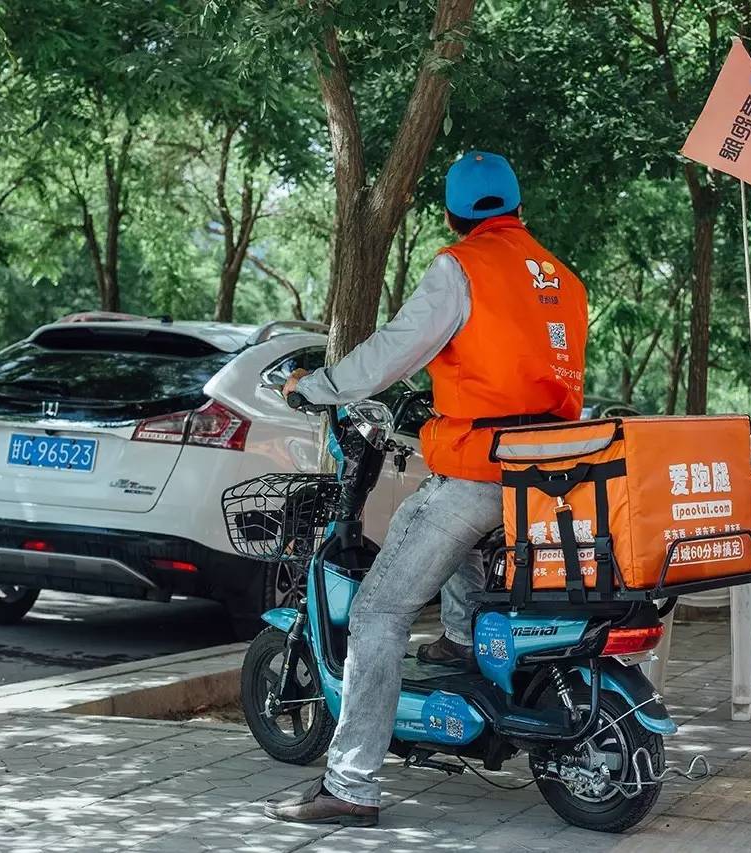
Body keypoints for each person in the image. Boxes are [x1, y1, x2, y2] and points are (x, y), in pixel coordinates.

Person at [266, 151, 589, 825]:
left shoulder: (459, 268)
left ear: (452, 215)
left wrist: (317, 386)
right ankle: (461, 645)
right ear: (517, 208)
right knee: (467, 549)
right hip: (548, 475)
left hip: (480, 468)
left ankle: (350, 783)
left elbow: (394, 350)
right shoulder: (561, 276)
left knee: (378, 614)